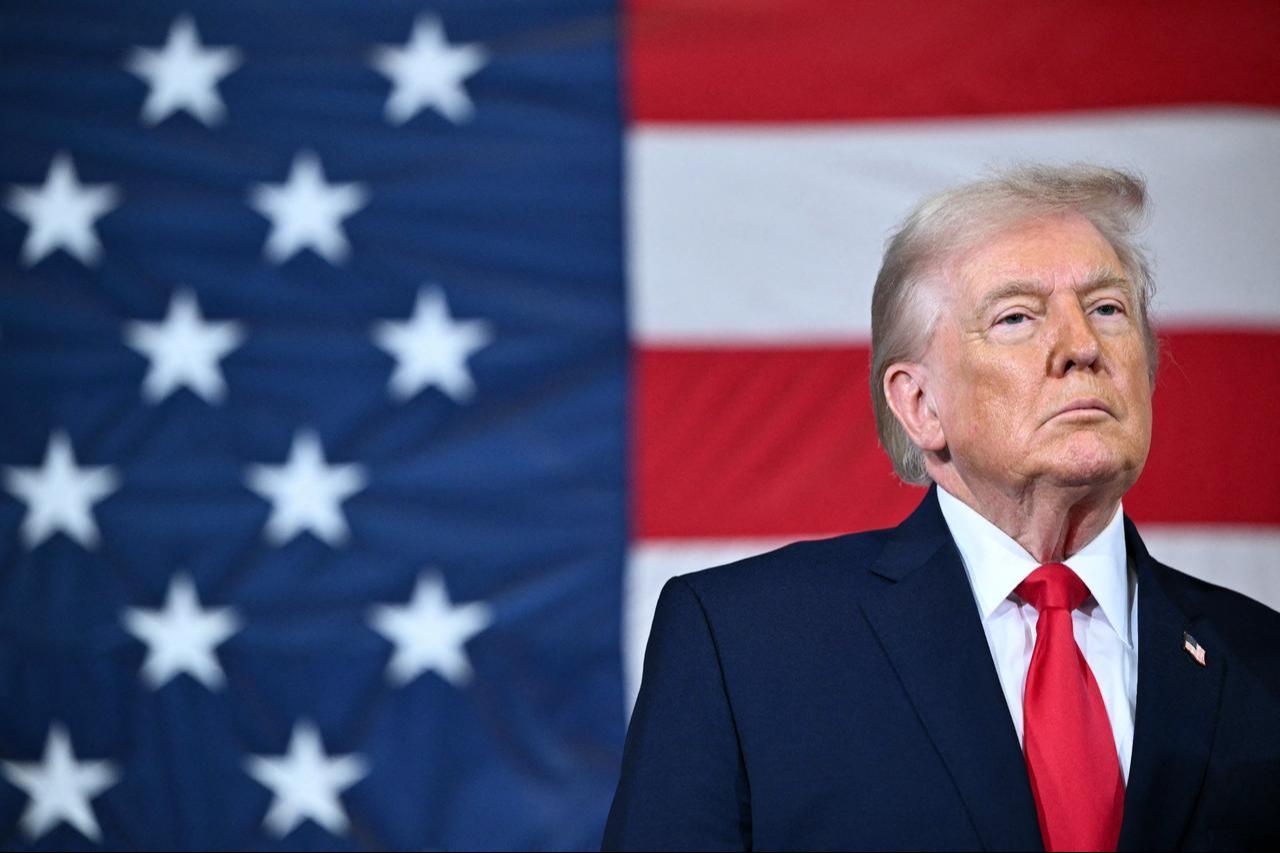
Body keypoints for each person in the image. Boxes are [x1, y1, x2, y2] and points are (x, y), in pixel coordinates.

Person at [602, 165, 1280, 851]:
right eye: (1016, 317)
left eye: (1108, 308)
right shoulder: (746, 644)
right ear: (921, 404)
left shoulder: (1262, 660)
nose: (1082, 347)